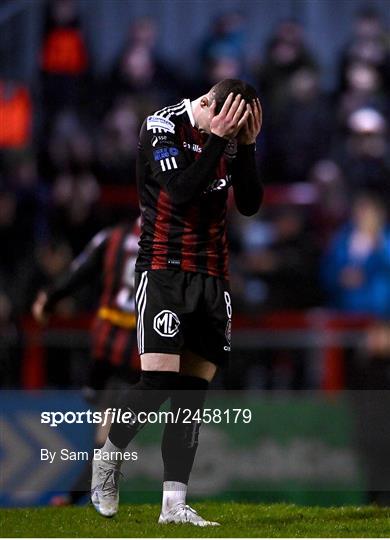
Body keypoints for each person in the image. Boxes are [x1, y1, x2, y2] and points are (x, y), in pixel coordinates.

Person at [91, 79, 263, 526]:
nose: (220, 134)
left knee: (191, 395)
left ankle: (174, 504)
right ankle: (108, 459)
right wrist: (220, 141)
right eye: (221, 123)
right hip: (164, 270)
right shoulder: (161, 126)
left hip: (212, 276)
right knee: (158, 384)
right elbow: (181, 190)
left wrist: (246, 148)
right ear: (206, 103)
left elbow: (248, 204)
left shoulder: (227, 135)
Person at [32, 220, 141, 502]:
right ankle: (82, 496)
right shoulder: (170, 243)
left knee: (105, 419)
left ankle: (75, 496)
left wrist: (49, 298)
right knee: (109, 430)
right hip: (137, 352)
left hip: (104, 347)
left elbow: (78, 272)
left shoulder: (112, 237)